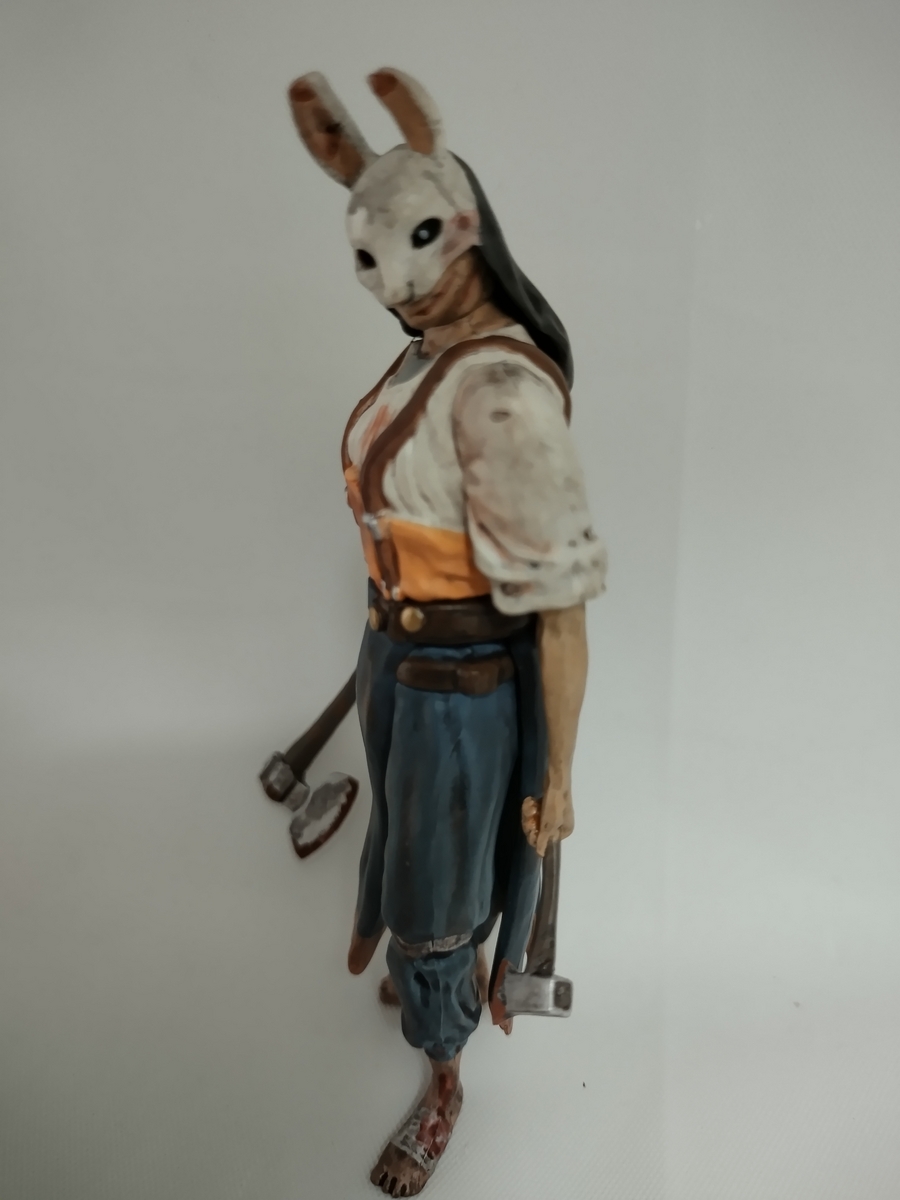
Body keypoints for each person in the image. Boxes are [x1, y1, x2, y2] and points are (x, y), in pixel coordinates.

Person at [287, 67, 606, 1197]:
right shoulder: (428, 357)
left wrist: (555, 775)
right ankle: (434, 959)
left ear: (468, 223)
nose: (401, 284)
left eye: (422, 241)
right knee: (416, 851)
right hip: (400, 666)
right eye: (374, 258)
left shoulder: (501, 391)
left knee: (438, 899)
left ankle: (444, 1074)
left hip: (461, 694)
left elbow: (559, 611)